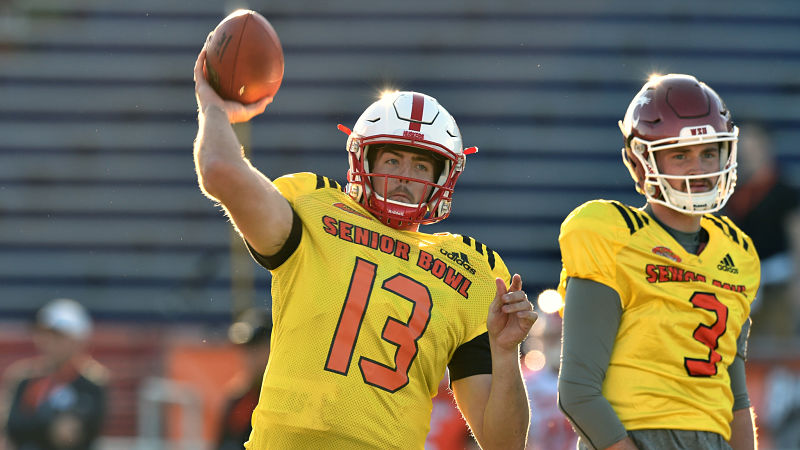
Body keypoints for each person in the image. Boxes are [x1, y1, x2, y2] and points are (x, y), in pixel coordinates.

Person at [192, 43, 537, 449]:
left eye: (422, 166)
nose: (406, 177)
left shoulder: (473, 271)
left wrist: (505, 352)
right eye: (393, 160)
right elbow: (219, 171)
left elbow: (505, 444)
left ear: (445, 175)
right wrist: (215, 107)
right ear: (365, 160)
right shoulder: (315, 210)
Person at [556, 74, 760, 449]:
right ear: (641, 161)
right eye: (680, 155)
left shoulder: (737, 251)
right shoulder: (611, 233)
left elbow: (737, 397)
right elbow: (578, 391)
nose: (699, 169)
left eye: (709, 152)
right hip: (631, 437)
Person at [1, 298, 108, 450]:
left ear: (78, 340)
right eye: (45, 334)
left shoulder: (93, 382)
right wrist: (50, 426)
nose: (49, 341)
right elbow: (14, 426)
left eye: (59, 336)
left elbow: (89, 428)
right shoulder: (25, 378)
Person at [725, 122, 800, 339]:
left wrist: (797, 282)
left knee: (780, 343)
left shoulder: (785, 190)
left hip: (780, 282)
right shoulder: (734, 193)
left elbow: (796, 236)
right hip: (746, 285)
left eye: (754, 146)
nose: (749, 153)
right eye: (744, 147)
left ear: (766, 146)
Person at [216, 307, 272, 450]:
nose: (249, 356)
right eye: (246, 349)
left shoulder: (286, 394)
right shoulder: (238, 398)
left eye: (256, 347)